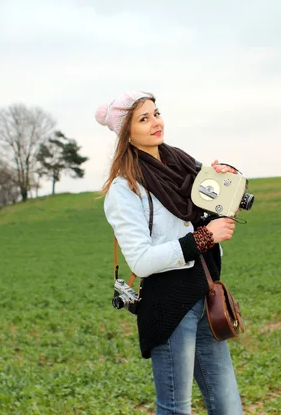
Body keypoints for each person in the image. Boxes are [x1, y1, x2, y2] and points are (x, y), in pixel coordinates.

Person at [96, 90, 243, 415]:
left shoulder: (183, 167)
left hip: (205, 297)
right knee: (177, 409)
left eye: (156, 113)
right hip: (169, 309)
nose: (155, 123)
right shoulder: (125, 190)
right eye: (143, 118)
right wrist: (204, 238)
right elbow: (142, 261)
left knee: (228, 407)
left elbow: (195, 216)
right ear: (127, 132)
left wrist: (218, 185)